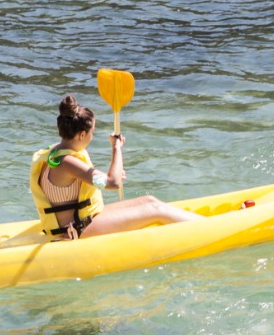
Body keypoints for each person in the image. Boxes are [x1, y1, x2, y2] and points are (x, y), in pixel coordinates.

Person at [31, 95, 201, 240]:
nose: (92, 136)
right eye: (92, 132)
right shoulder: (68, 162)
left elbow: (91, 180)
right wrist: (116, 147)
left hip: (82, 220)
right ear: (82, 134)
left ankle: (202, 221)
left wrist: (114, 175)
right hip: (75, 230)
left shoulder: (53, 153)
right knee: (154, 210)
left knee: (149, 201)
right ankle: (208, 227)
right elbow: (113, 183)